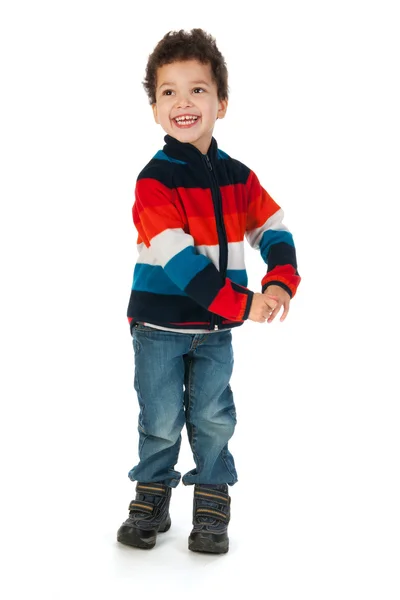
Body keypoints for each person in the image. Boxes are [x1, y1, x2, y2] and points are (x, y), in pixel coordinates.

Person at [117, 28, 300, 554]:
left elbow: (275, 228)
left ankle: (212, 500)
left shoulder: (238, 178)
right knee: (160, 418)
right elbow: (181, 267)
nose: (183, 102)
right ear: (154, 108)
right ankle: (151, 496)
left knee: (214, 415)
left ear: (222, 102)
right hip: (158, 328)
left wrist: (279, 280)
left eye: (197, 89)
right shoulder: (154, 182)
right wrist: (246, 303)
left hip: (216, 332)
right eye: (168, 92)